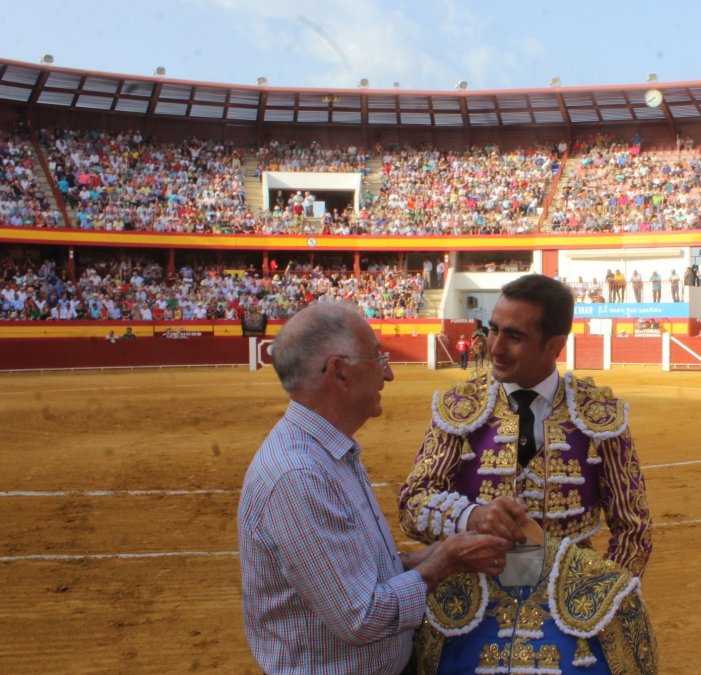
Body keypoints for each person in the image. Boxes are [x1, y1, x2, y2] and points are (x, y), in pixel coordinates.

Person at [238, 302, 512, 674]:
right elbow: (362, 617)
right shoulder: (299, 476)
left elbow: (358, 572)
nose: (389, 374)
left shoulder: (327, 453)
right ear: (340, 372)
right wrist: (445, 562)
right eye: (378, 357)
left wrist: (438, 552)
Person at [397, 274, 652, 577]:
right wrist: (471, 516)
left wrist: (600, 597)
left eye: (514, 337)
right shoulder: (459, 405)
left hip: (569, 598)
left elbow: (633, 528)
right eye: (493, 330)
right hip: (468, 601)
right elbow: (412, 503)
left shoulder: (599, 415)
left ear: (554, 345)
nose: (496, 348)